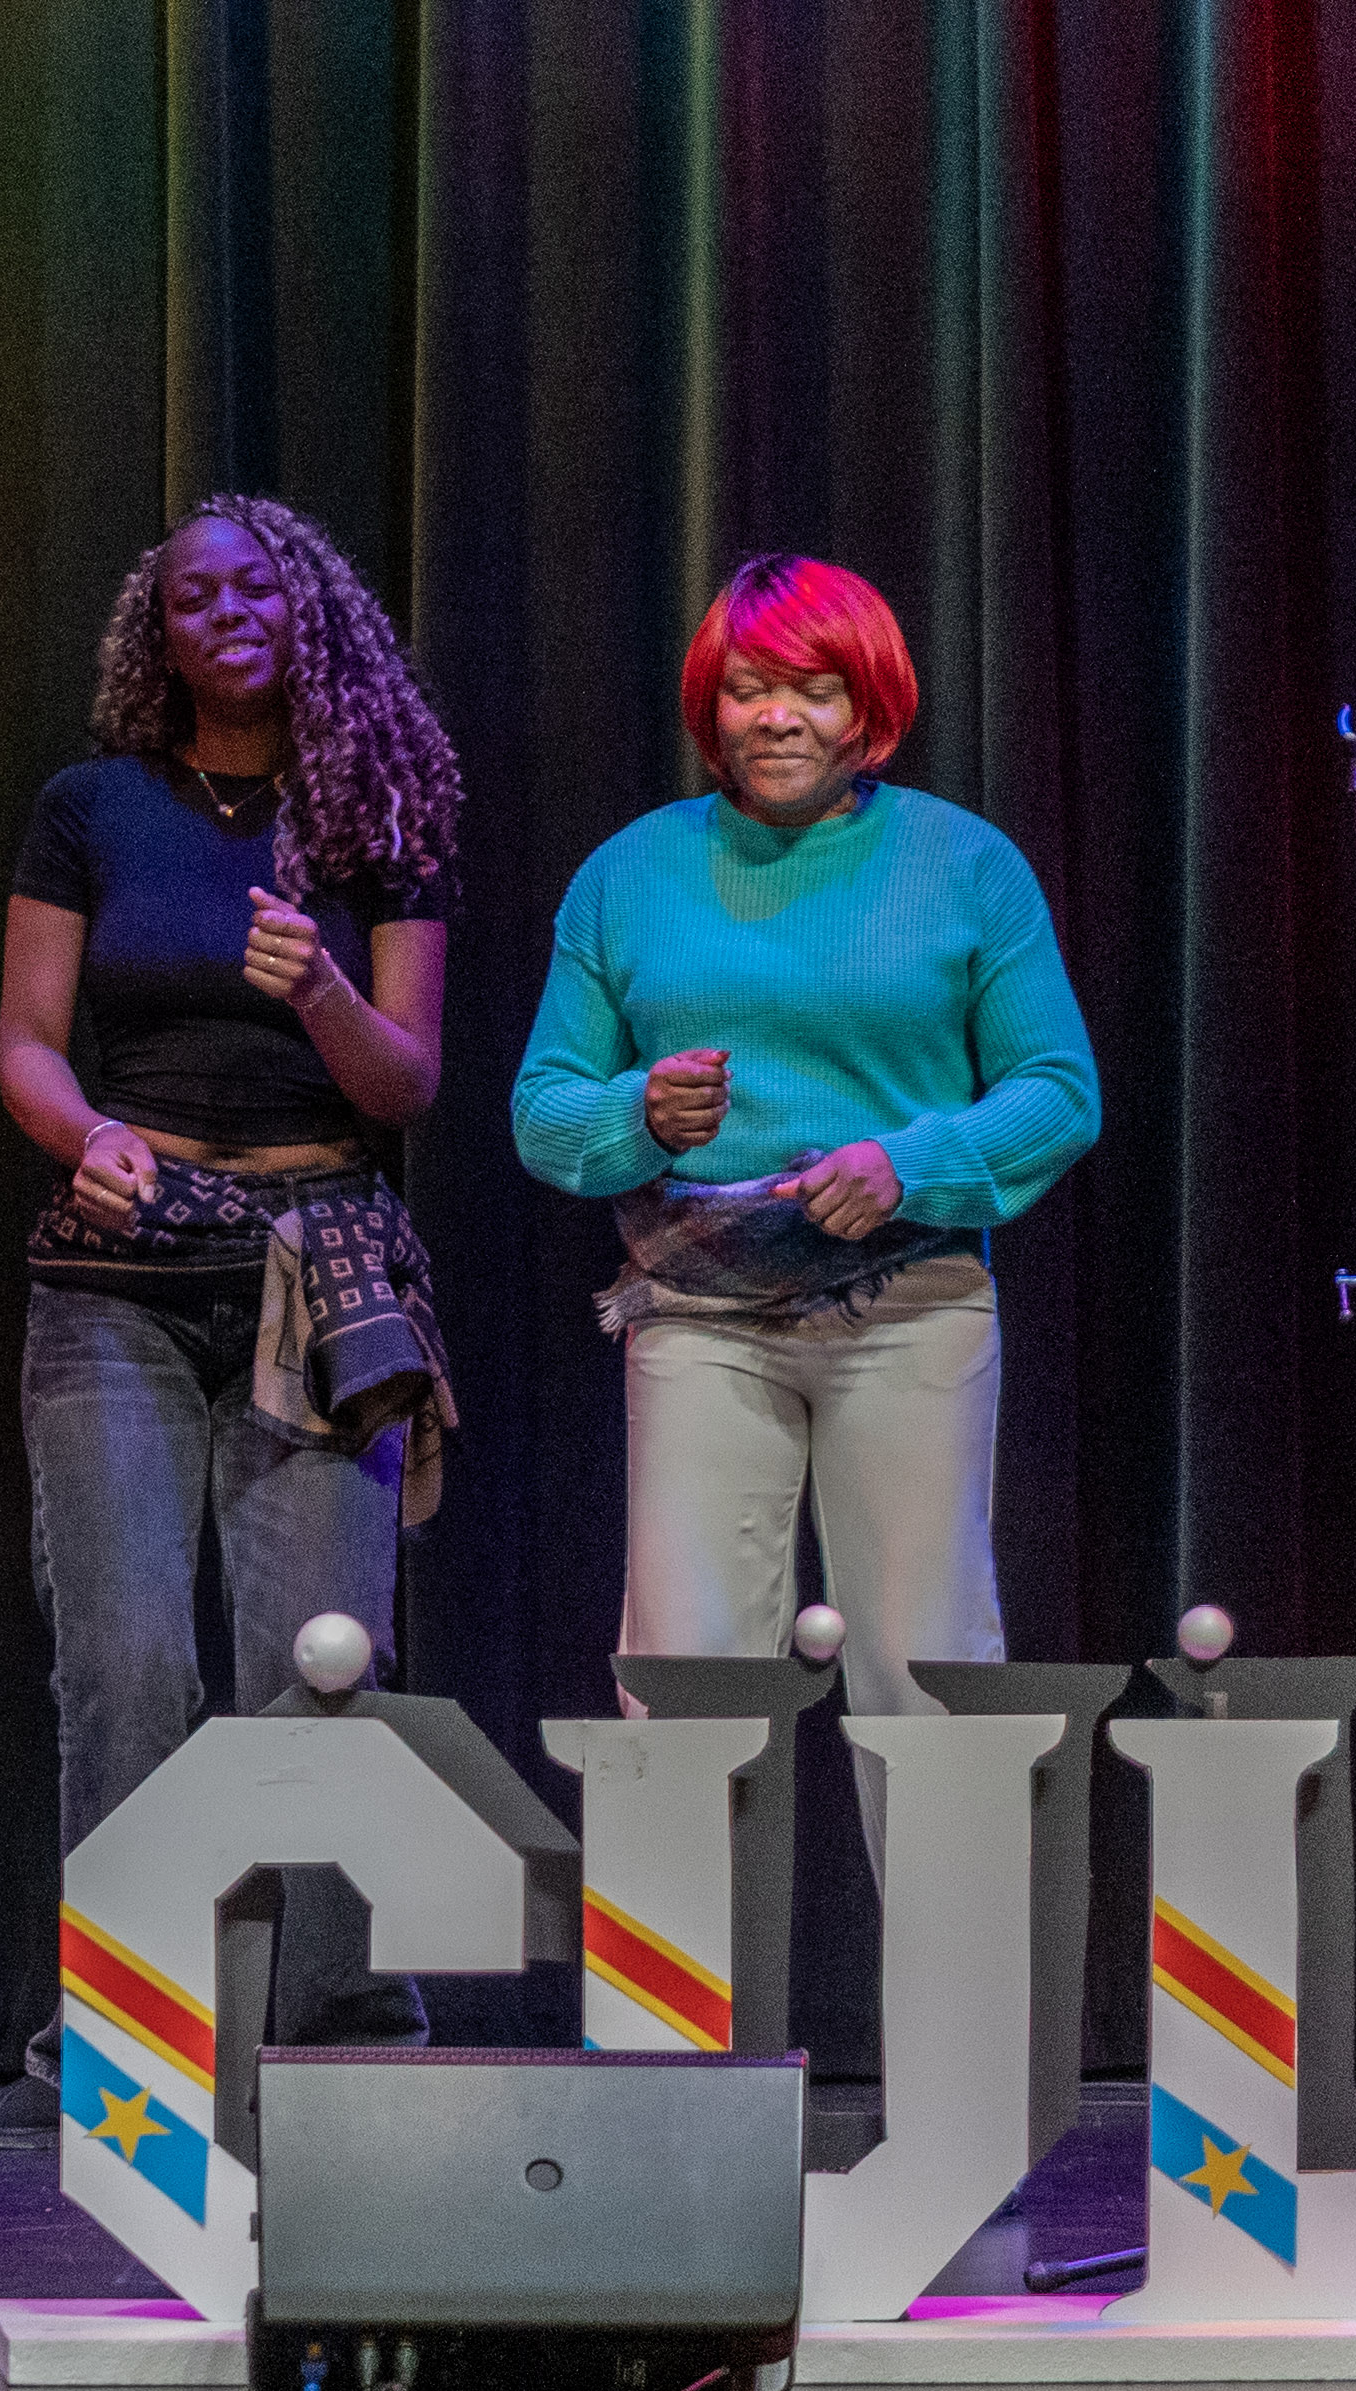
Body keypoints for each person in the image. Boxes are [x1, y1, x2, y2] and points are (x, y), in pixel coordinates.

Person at [0, 495, 463, 2152]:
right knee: (127, 1666)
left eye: (257, 588)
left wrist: (318, 987)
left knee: (322, 1665)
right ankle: (123, 2042)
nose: (228, 613)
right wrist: (84, 1137)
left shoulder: (377, 809)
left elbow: (407, 1082)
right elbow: (26, 1041)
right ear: (158, 632)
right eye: (194, 596)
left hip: (319, 1271)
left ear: (307, 607)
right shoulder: (93, 807)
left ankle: (335, 2039)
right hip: (120, 1269)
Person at [510, 554, 1097, 1863]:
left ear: (868, 706)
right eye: (747, 688)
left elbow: (1059, 1091)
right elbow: (544, 1112)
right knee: (685, 1678)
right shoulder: (628, 875)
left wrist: (909, 1164)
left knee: (928, 1676)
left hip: (910, 1306)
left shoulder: (964, 865)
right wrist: (638, 1115)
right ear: (710, 707)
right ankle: (677, 1994)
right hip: (698, 1315)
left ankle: (956, 1991)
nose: (775, 716)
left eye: (814, 689)